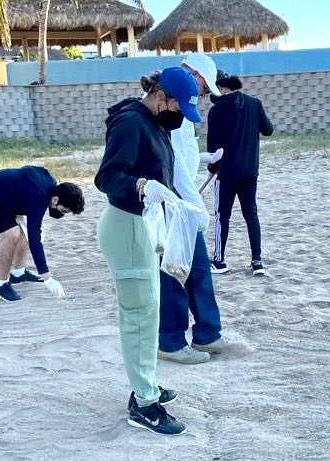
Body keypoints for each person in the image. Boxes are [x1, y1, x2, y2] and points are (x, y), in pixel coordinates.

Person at [94, 67, 202, 436]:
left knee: (147, 312)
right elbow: (107, 179)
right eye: (178, 107)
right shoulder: (131, 123)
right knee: (140, 318)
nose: (180, 117)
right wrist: (142, 186)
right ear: (161, 97)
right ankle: (144, 405)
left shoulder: (154, 122)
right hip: (126, 226)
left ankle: (147, 386)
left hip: (142, 225)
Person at [156, 52, 241, 366]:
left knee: (199, 269)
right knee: (175, 270)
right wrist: (195, 208)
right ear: (193, 74)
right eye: (205, 88)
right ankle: (171, 341)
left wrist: (205, 159)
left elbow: (185, 156)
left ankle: (208, 333)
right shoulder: (172, 103)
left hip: (184, 198)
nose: (204, 95)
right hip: (173, 201)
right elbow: (173, 164)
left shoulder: (182, 100)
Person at [0, 166, 84, 302]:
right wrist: (47, 278)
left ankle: (18, 273)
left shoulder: (49, 185)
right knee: (13, 234)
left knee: (26, 229)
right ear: (56, 200)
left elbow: (29, 172)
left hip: (4, 198)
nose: (61, 214)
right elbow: (35, 239)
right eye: (63, 210)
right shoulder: (39, 196)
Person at [207, 71, 274, 276]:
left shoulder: (216, 110)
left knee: (222, 216)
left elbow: (213, 148)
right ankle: (257, 261)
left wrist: (212, 168)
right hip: (250, 170)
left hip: (226, 172)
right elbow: (268, 130)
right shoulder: (254, 104)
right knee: (251, 214)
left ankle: (219, 261)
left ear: (223, 88)